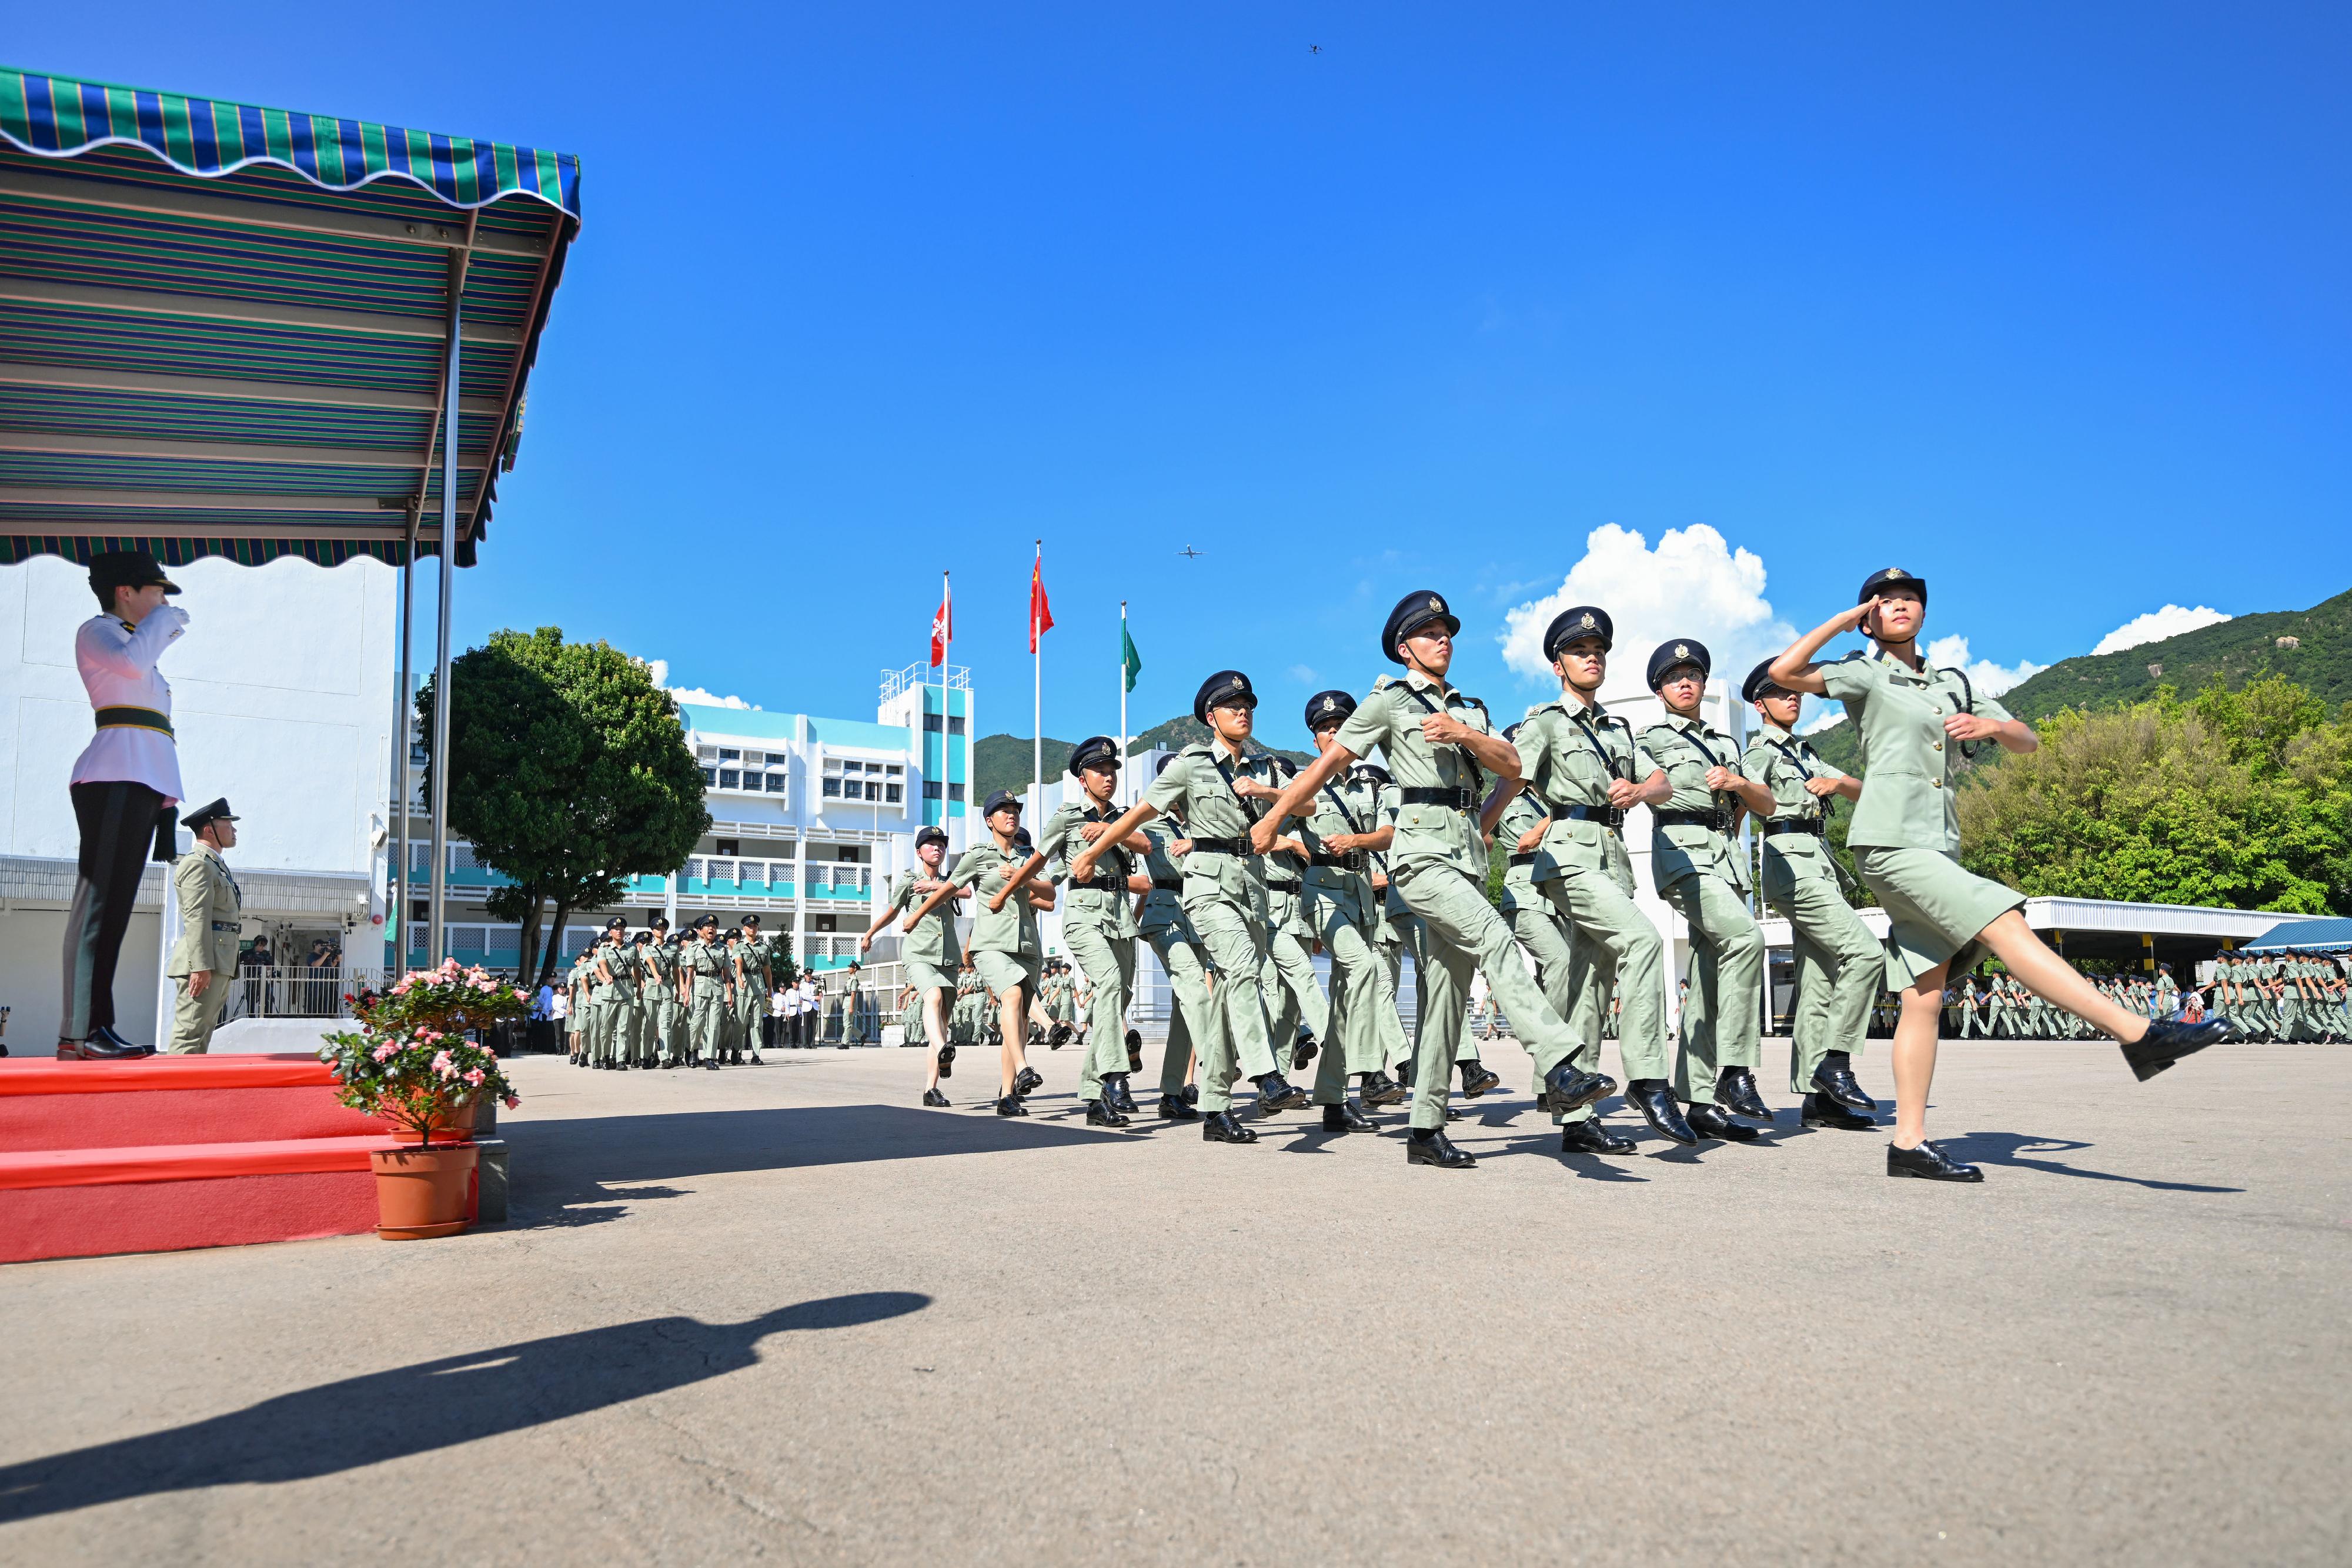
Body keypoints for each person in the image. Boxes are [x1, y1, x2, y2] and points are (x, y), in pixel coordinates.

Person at [1769, 566, 2233, 1182]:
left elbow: (2028, 740)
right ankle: (2136, 1033)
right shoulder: (1863, 671)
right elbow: (1783, 673)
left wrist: (1991, 726)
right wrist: (1842, 621)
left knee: (1922, 998)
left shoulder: (1952, 682)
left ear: (1924, 614)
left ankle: (1907, 1145)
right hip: (1888, 841)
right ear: (1870, 617)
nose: (1899, 606)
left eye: (1910, 599)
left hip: (1938, 846)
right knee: (2005, 921)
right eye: (1884, 601)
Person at [1251, 592, 1612, 1168]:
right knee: (1495, 937)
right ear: (1403, 647)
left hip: (1466, 854)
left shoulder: (1468, 708)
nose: (1441, 639)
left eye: (1446, 631)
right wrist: (1273, 816)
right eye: (1427, 632)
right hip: (1419, 856)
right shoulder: (1388, 701)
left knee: (1445, 998)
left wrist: (1465, 744)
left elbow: (1512, 768)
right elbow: (1325, 767)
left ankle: (1424, 1130)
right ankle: (1561, 1064)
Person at [1068, 673, 1314, 1142]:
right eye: (1231, 704)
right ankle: (1266, 1076)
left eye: (1248, 704)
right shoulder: (1190, 764)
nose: (1243, 711)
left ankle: (1217, 1109)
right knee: (1242, 971)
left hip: (1253, 887)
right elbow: (1140, 814)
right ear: (1210, 717)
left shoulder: (1265, 768)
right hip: (1206, 886)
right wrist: (1090, 852)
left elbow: (1306, 805)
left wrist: (1266, 795)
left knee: (1221, 1001)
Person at [1504, 606, 1681, 1151]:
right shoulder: (1545, 723)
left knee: (1588, 984)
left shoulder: (1617, 728)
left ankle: (1576, 1120)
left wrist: (1640, 791)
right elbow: (1511, 774)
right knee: (1642, 940)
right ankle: (1649, 1079)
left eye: (1599, 650)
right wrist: (1483, 829)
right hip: (1568, 856)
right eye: (1581, 650)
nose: (1593, 657)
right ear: (1559, 664)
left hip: (1613, 857)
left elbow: (1663, 781)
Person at [1639, 639, 1778, 1139]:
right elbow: (1645, 784)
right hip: (1684, 856)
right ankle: (1735, 1072)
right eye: (1675, 676)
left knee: (1709, 979)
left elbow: (1765, 804)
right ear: (1660, 690)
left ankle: (1696, 1100)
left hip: (1725, 858)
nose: (1685, 681)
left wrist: (1738, 785)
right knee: (1745, 940)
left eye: (1693, 674)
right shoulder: (1651, 739)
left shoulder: (1726, 745)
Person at [60, 550, 192, 1058]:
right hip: (112, 774)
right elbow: (130, 666)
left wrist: (165, 801)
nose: (163, 600)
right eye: (156, 591)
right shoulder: (98, 632)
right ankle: (78, 1031)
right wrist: (162, 622)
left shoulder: (141, 646)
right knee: (96, 906)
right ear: (126, 592)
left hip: (140, 778)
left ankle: (98, 1026)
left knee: (115, 911)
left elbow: (157, 729)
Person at [1738, 660, 1880, 1131]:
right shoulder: (1760, 751)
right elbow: (1745, 800)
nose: (1793, 697)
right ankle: (1835, 1063)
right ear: (1761, 705)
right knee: (1865, 952)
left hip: (1817, 861)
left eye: (1795, 692)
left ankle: (1820, 1099)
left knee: (1819, 980)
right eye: (1781, 693)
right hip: (1789, 862)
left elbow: (1866, 791)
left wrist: (1839, 782)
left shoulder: (1805, 752)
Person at [1028, 737, 1152, 1126]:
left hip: (1120, 916)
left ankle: (1093, 1096)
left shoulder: (1120, 816)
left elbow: (1145, 843)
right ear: (1083, 778)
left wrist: (1107, 830)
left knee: (1113, 1004)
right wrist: (1028, 885)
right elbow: (1041, 862)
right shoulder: (1067, 816)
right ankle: (1116, 1076)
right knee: (1110, 982)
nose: (1109, 776)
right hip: (1083, 913)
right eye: (1100, 770)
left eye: (1113, 769)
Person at [1299, 691, 1410, 1125]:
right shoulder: (1304, 782)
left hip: (1360, 894)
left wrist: (1356, 842)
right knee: (1365, 968)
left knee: (1347, 999)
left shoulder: (1372, 784)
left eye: (1342, 726)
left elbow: (1388, 833)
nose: (1334, 733)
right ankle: (1370, 1072)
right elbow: (1272, 829)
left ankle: (1331, 1101)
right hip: (1322, 892)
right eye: (1326, 728)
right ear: (1315, 741)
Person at [904, 791, 1052, 1115]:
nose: (1011, 815)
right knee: (1011, 998)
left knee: (1019, 1020)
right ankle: (1025, 1067)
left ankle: (1006, 1095)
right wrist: (915, 915)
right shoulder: (977, 856)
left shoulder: (1029, 854)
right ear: (989, 820)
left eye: (1015, 810)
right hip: (991, 945)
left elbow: (1050, 891)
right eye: (1004, 811)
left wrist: (1020, 876)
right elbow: (948, 889)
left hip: (1026, 945)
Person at [864, 824, 968, 1104]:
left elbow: (967, 892)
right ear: (919, 852)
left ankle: (930, 1089)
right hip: (919, 953)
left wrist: (937, 886)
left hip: (947, 957)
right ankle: (944, 1048)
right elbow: (892, 912)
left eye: (942, 844)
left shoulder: (950, 881)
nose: (938, 848)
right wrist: (871, 933)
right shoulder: (908, 881)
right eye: (931, 844)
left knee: (942, 1021)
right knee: (932, 997)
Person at [163, 798, 244, 1054]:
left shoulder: (214, 864)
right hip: (204, 963)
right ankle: (173, 1092)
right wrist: (200, 967)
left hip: (218, 960)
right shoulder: (198, 864)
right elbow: (197, 918)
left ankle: (189, 1091)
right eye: (228, 825)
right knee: (189, 1035)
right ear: (209, 829)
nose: (234, 830)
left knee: (201, 1035)